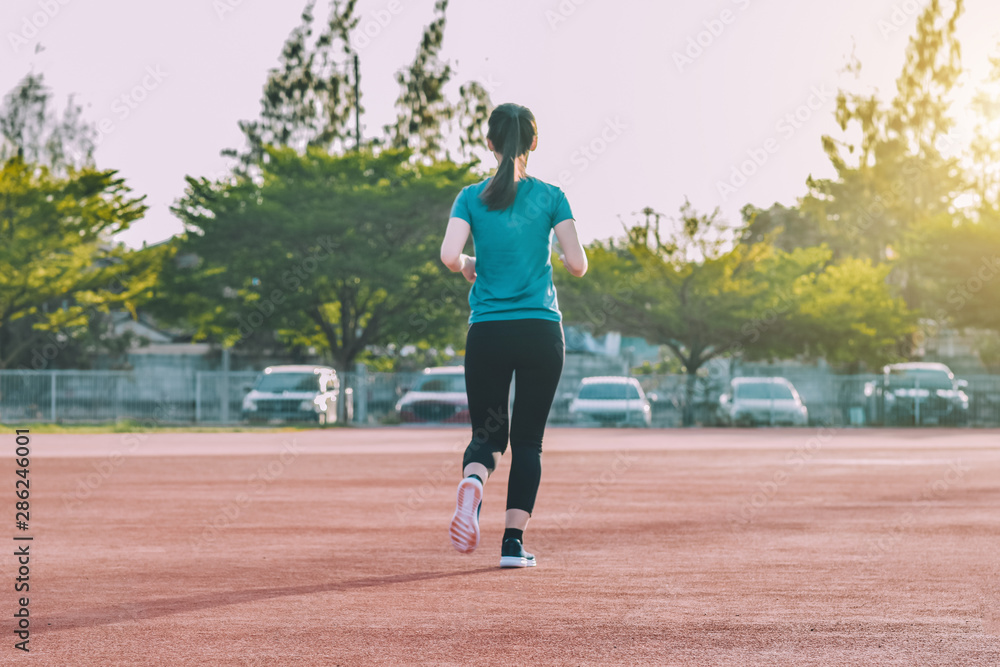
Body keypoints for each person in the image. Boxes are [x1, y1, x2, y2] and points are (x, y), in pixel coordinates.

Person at [440, 103, 588, 568]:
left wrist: (469, 265)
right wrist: (556, 255)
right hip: (541, 331)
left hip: (487, 331)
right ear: (534, 144)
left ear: (489, 142)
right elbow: (578, 264)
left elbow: (449, 255)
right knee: (528, 441)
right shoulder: (552, 196)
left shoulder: (470, 196)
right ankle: (512, 546)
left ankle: (475, 482)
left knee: (488, 436)